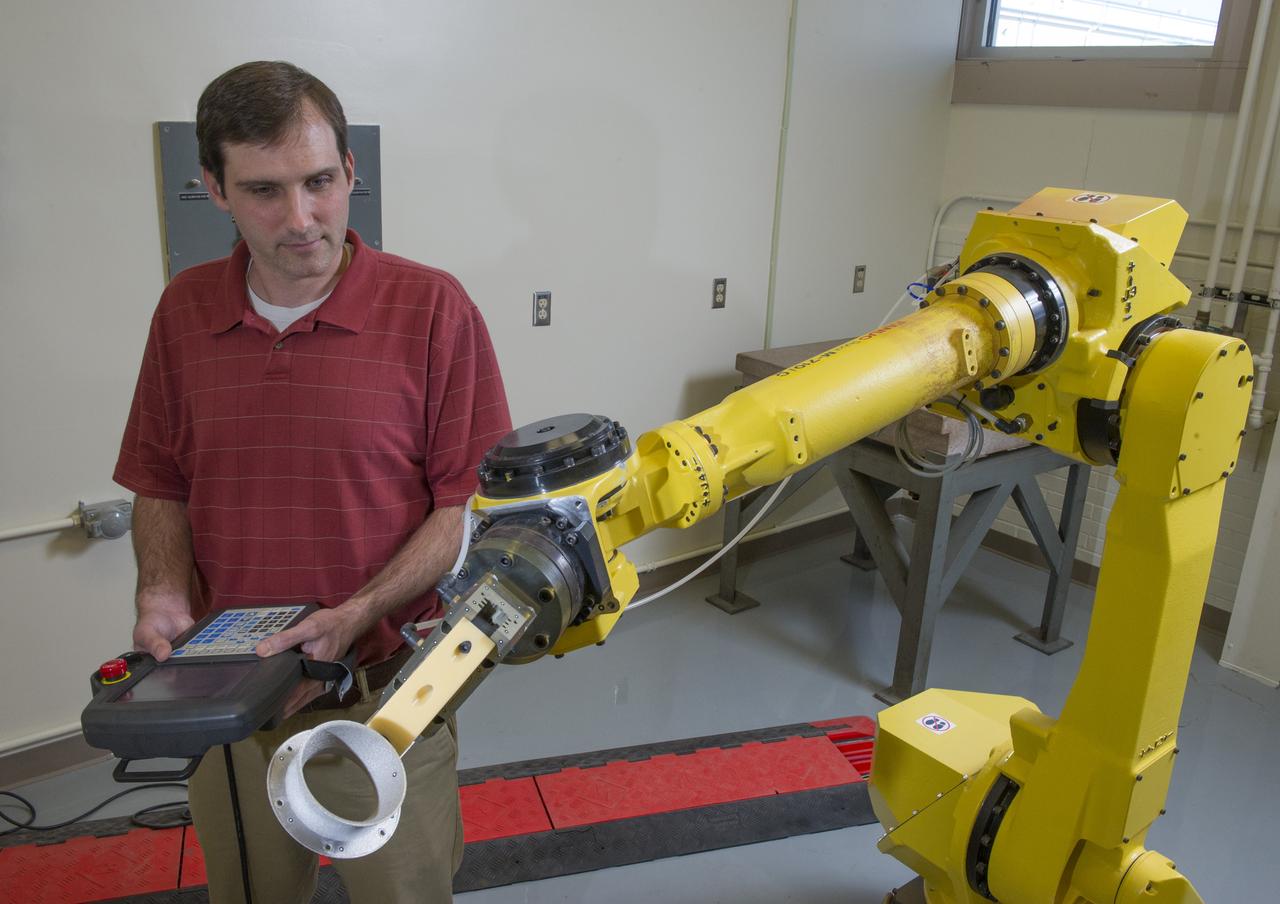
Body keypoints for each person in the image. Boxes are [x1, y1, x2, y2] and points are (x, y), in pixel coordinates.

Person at [114, 60, 511, 903]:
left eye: (320, 182)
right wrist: (160, 590)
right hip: (231, 700)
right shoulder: (183, 311)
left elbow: (463, 505)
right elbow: (160, 481)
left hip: (385, 700)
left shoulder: (433, 310)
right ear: (214, 190)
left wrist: (360, 610)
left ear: (350, 172)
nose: (301, 219)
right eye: (263, 190)